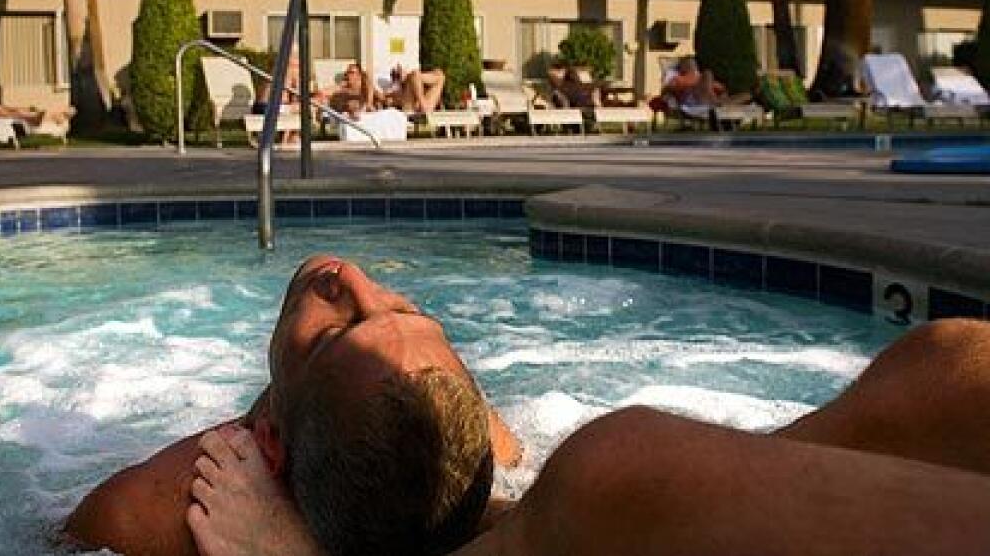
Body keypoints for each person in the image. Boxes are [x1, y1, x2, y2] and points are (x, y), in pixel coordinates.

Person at [185, 282, 990, 555]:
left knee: (944, 373)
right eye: (339, 333)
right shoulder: (595, 478)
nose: (351, 276)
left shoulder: (599, 479)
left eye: (405, 309)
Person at [63, 254, 522, 556]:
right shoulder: (455, 429)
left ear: (270, 442)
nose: (351, 277)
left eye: (332, 334)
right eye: (405, 313)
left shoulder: (136, 518)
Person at [662, 55, 751, 109]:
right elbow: (669, 91)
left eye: (693, 64)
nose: (692, 66)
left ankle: (750, 95)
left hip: (706, 94)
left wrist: (720, 90)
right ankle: (716, 101)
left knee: (745, 95)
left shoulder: (696, 75)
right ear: (682, 66)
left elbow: (718, 86)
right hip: (692, 96)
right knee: (707, 74)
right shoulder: (674, 77)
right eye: (689, 64)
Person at [381, 65, 446, 114]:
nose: (398, 75)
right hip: (409, 107)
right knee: (414, 74)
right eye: (396, 74)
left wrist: (408, 78)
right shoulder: (392, 87)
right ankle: (423, 105)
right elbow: (387, 99)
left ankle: (418, 78)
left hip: (423, 105)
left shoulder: (410, 81)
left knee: (439, 73)